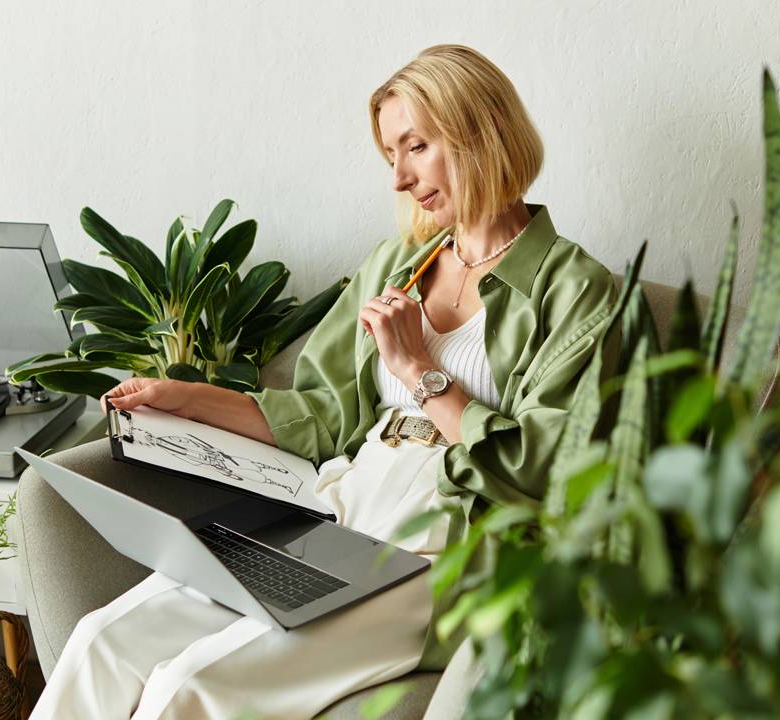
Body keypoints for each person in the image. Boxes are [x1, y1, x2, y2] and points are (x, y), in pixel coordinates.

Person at [31, 43, 618, 719]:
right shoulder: (398, 263)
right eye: (390, 156)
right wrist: (185, 397)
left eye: (415, 146)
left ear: (480, 130)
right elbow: (321, 413)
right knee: (100, 641)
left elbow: (545, 471)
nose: (399, 178)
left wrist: (418, 371)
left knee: (190, 690)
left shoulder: (579, 293)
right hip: (338, 507)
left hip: (442, 545)